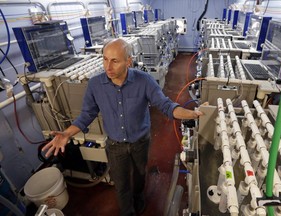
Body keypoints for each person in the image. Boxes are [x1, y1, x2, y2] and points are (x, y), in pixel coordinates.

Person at [42, 38, 203, 216]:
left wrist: (190, 113)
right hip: (115, 145)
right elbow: (87, 114)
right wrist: (67, 133)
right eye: (105, 59)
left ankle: (139, 198)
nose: (108, 67)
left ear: (128, 61)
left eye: (115, 61)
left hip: (140, 142)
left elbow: (165, 105)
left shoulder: (144, 81)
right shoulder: (95, 84)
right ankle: (128, 212)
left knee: (140, 175)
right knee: (121, 183)